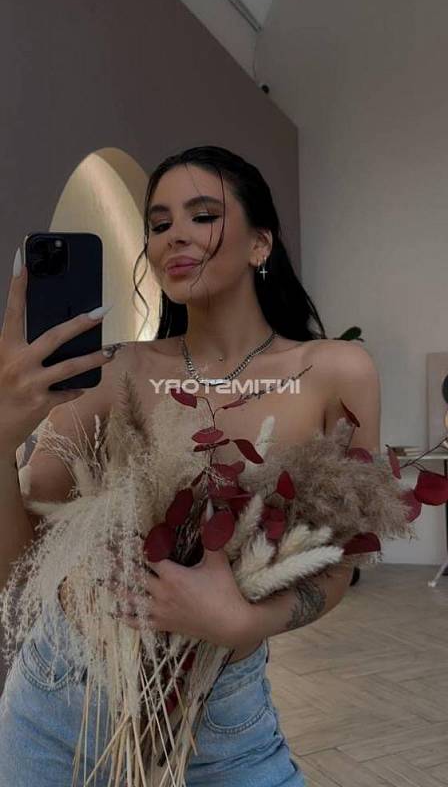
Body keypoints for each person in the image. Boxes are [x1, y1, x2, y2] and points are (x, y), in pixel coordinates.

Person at [0, 145, 380, 786]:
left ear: (260, 243)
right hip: (65, 701)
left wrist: (244, 621)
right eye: (158, 223)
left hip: (223, 712)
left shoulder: (336, 372)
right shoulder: (112, 371)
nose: (174, 234)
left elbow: (340, 560)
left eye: (202, 215)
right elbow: (17, 567)